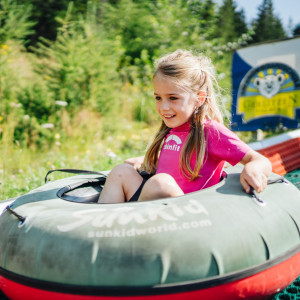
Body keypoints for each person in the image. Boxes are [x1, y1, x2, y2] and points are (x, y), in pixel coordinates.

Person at [98, 49, 271, 204]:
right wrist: (146, 161)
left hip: (188, 213)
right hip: (155, 203)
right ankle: (101, 231)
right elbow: (177, 158)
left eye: (173, 98)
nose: (163, 107)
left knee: (160, 182)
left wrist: (254, 168)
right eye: (158, 98)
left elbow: (259, 159)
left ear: (199, 98)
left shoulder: (212, 132)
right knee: (121, 171)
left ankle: (130, 230)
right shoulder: (172, 129)